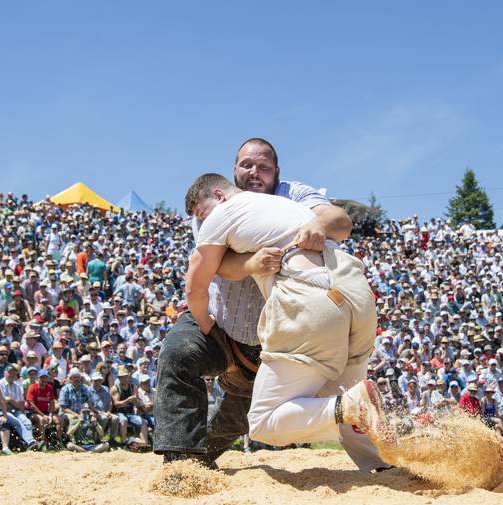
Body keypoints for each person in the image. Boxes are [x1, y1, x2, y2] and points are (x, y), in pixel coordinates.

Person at [154, 138, 375, 469]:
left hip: (279, 332)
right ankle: (180, 464)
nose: (254, 172)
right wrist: (250, 265)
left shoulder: (295, 196)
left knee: (244, 413)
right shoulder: (213, 210)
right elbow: (212, 267)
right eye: (246, 165)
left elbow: (340, 222)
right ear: (232, 172)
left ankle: (381, 461)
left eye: (263, 167)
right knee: (178, 353)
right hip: (221, 321)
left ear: (277, 172)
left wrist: (318, 224)